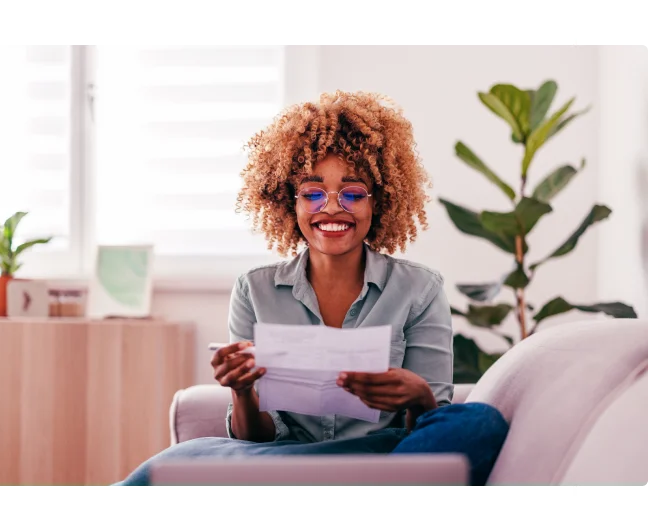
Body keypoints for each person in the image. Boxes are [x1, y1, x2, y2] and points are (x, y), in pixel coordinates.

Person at [114, 91, 509, 487]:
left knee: (478, 422)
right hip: (281, 465)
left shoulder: (419, 289)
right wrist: (244, 391)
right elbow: (255, 439)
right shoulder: (255, 289)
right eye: (313, 192)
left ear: (380, 201)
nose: (332, 207)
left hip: (378, 462)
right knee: (182, 462)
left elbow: (431, 433)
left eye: (353, 193)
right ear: (290, 201)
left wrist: (418, 395)